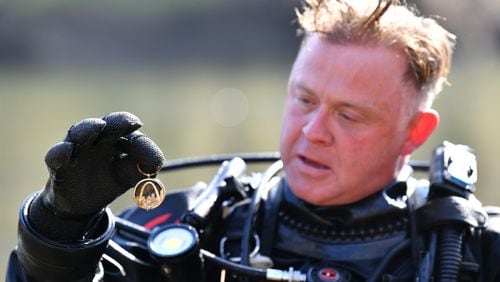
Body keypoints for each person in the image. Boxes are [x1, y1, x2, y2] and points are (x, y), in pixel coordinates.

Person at [6, 0, 500, 281]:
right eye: (304, 101)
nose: (313, 132)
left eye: (349, 115)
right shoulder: (191, 229)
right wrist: (58, 231)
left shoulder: (474, 253)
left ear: (414, 134)